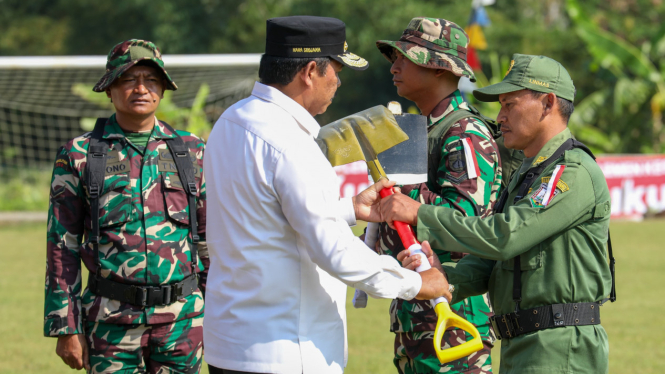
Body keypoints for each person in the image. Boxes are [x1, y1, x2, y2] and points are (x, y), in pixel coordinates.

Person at [203, 16, 449, 374]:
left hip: (231, 345)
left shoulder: (230, 121)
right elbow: (333, 250)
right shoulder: (290, 141)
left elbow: (264, 218)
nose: (338, 80)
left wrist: (349, 209)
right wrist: (415, 283)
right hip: (287, 349)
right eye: (335, 69)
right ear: (311, 71)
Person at [381, 54, 614, 374]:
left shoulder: (571, 171)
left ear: (547, 103)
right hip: (525, 343)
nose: (500, 116)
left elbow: (506, 236)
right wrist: (444, 278)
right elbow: (491, 261)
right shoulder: (529, 174)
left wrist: (421, 213)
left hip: (560, 348)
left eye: (510, 105)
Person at [44, 39, 208, 373]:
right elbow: (62, 246)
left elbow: (208, 237)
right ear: (109, 88)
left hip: (183, 322)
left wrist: (219, 310)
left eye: (150, 79)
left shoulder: (192, 151)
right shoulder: (79, 155)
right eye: (129, 79)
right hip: (110, 325)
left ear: (163, 88)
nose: (141, 88)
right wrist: (65, 326)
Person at [373, 17, 502, 374]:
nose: (394, 67)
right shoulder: (420, 130)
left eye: (406, 57)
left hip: (453, 313)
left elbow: (467, 221)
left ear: (439, 69)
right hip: (416, 313)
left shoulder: (464, 132)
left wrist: (407, 200)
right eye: (394, 57)